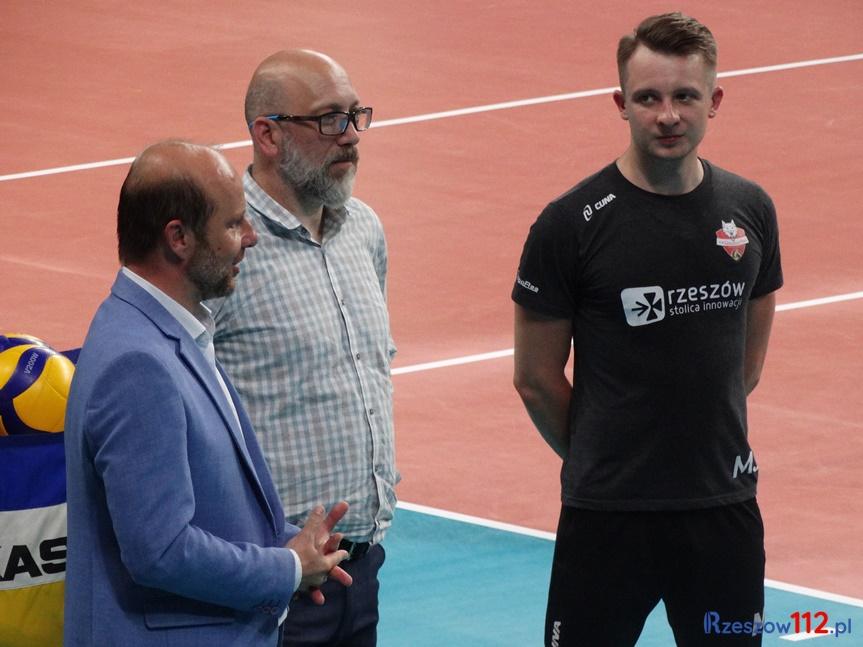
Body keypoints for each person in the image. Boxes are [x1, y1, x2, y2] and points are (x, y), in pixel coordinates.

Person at [512, 13, 782, 647]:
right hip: (608, 517)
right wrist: (606, 456)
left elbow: (745, 364)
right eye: (648, 98)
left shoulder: (749, 210)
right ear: (621, 104)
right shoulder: (569, 224)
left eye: (685, 96)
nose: (667, 116)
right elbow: (535, 378)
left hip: (722, 510)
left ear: (714, 101)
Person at [64, 140, 353, 647]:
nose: (251, 237)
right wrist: (285, 567)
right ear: (178, 238)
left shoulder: (169, 333)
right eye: (233, 224)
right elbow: (160, 550)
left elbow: (208, 508)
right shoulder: (139, 364)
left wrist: (293, 545)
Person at [209, 50, 397, 647]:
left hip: (361, 566)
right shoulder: (225, 247)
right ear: (267, 135)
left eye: (355, 116)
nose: (351, 136)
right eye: (329, 120)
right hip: (270, 582)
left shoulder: (363, 228)